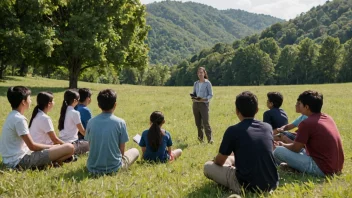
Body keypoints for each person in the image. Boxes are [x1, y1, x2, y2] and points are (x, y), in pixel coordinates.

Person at [204, 91, 278, 193]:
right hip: (271, 183)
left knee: (207, 166)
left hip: (246, 185)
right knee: (231, 158)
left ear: (237, 110)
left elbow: (220, 161)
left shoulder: (233, 130)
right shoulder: (267, 127)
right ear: (257, 110)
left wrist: (214, 161)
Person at [0, 86, 74, 170]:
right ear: (23, 102)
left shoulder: (12, 116)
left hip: (11, 160)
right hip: (20, 161)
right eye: (29, 98)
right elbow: (32, 146)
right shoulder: (19, 119)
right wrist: (52, 147)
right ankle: (49, 164)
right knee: (70, 147)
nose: (31, 101)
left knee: (64, 148)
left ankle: (48, 163)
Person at [273, 90, 344, 176]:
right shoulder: (328, 118)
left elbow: (296, 148)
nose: (298, 105)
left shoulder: (306, 123)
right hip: (336, 167)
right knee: (302, 151)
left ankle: (292, 168)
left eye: (300, 103)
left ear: (306, 107)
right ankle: (293, 168)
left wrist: (282, 145)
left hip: (323, 169)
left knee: (278, 151)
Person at [85, 89, 139, 175]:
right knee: (135, 151)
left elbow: (90, 144)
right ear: (115, 105)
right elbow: (122, 149)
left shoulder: (91, 122)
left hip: (92, 167)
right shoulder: (120, 122)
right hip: (114, 168)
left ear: (99, 105)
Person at [58, 89, 89, 155]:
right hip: (72, 143)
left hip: (61, 142)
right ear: (75, 100)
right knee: (90, 144)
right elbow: (82, 131)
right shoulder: (75, 113)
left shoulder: (64, 111)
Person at [192, 67, 213, 143]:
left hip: (204, 104)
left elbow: (211, 95)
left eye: (201, 72)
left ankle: (210, 139)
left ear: (204, 73)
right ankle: (200, 140)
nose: (200, 74)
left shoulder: (208, 83)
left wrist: (203, 99)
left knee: (205, 122)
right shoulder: (196, 83)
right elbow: (194, 93)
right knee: (198, 123)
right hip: (195, 104)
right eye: (199, 73)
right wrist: (193, 97)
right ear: (197, 74)